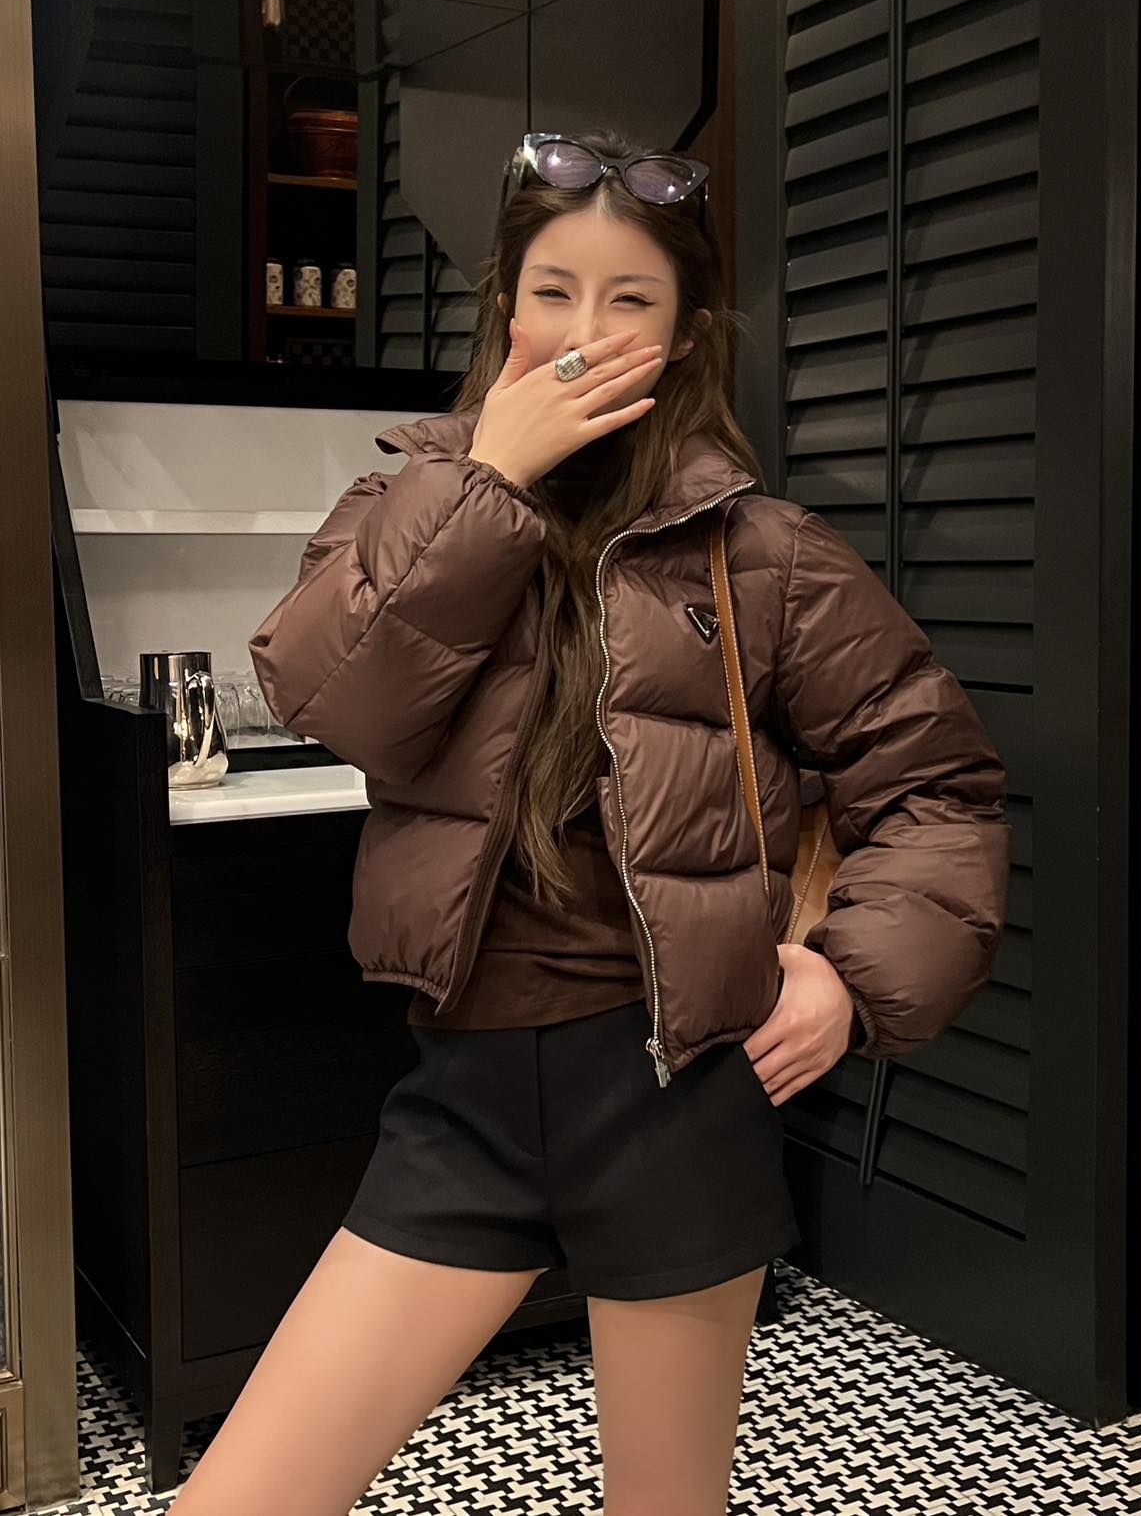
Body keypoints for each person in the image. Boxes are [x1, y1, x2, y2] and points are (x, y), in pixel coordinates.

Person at [171, 128, 1011, 1516]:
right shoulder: (400, 503)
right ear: (506, 307)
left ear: (683, 337)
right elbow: (336, 700)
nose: (583, 332)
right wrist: (486, 482)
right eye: (554, 291)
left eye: (630, 301)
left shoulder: (764, 554)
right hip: (465, 1099)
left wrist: (852, 978)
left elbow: (938, 785)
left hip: (676, 1092)